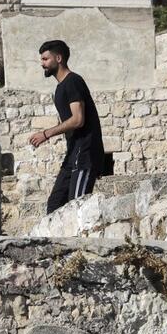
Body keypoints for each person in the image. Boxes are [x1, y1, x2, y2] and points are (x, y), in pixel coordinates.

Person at [30, 40, 105, 215]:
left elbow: (78, 119)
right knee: (54, 206)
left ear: (58, 58)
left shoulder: (73, 81)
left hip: (85, 153)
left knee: (77, 208)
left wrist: (46, 134)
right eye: (41, 60)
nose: (42, 64)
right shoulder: (60, 87)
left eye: (45, 59)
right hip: (73, 154)